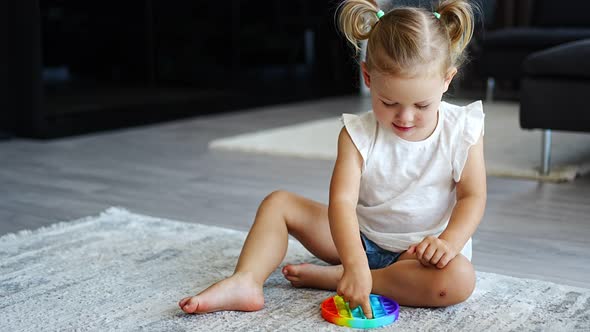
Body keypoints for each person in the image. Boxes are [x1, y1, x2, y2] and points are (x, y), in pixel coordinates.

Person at [179, 0, 486, 318]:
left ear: (447, 80)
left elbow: (472, 195)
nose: (405, 117)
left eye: (422, 105)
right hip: (360, 240)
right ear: (368, 77)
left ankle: (344, 278)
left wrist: (449, 242)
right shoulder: (356, 134)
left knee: (460, 280)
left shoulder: (463, 129)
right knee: (278, 203)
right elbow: (341, 203)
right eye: (389, 102)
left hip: (420, 256)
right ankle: (245, 280)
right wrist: (354, 261)